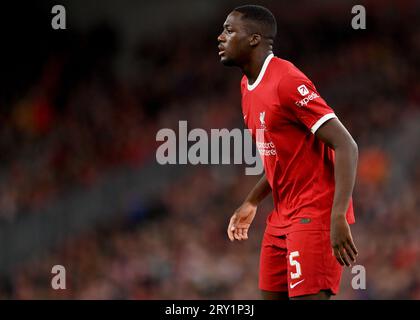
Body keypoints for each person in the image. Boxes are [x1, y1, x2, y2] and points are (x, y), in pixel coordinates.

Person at [218, 5, 359, 300]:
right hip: (281, 218)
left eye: (229, 31)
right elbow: (282, 159)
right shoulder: (247, 86)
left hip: (315, 215)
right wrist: (251, 201)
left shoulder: (287, 81)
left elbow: (346, 144)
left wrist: (337, 215)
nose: (221, 37)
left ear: (255, 39)